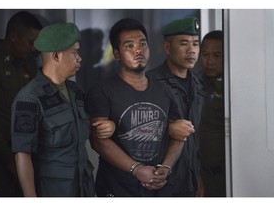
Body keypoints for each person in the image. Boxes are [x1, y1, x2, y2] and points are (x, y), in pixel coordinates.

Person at [86, 18, 195, 197]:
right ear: (117, 54)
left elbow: (178, 136)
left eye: (142, 44)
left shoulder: (165, 90)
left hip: (159, 187)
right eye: (129, 46)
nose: (138, 50)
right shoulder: (102, 90)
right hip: (118, 187)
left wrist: (166, 167)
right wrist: (136, 169)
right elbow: (98, 141)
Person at [11, 22, 115, 197]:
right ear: (56, 56)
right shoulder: (29, 98)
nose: (80, 58)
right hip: (54, 190)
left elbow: (85, 127)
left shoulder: (75, 92)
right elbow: (22, 153)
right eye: (74, 53)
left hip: (84, 186)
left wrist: (108, 126)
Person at [0, 11, 43, 196]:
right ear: (13, 36)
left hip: (25, 153)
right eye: (30, 42)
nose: (34, 49)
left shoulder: (28, 65)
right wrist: (8, 159)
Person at [147, 17, 205, 197]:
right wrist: (167, 128)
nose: (192, 50)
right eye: (184, 43)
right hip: (157, 179)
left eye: (195, 44)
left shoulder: (200, 86)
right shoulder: (150, 83)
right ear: (167, 47)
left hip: (189, 180)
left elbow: (196, 140)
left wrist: (197, 177)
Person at [198, 30, 225, 197]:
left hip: (228, 174)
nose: (209, 61)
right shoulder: (195, 86)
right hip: (202, 172)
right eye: (205, 54)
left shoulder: (233, 86)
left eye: (217, 56)